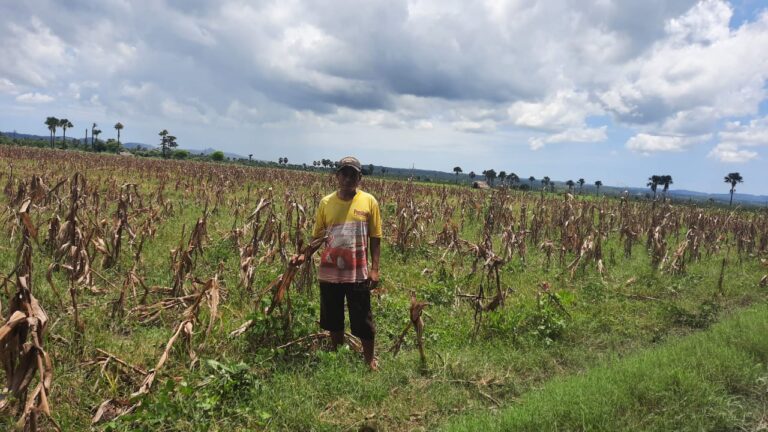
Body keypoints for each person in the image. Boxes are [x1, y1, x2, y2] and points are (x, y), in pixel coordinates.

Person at [310, 156, 381, 370]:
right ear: (337, 176)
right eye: (344, 173)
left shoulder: (369, 201)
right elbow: (318, 237)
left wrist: (375, 269)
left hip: (358, 272)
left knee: (363, 319)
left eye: (353, 174)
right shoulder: (325, 203)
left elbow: (376, 237)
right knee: (333, 318)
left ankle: (369, 360)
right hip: (330, 271)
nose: (348, 178)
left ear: (360, 178)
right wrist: (304, 255)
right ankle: (338, 354)